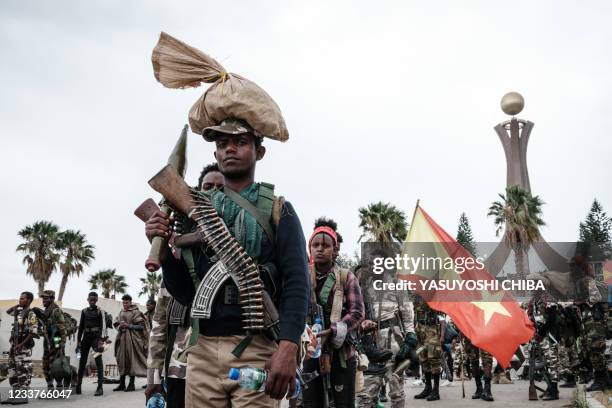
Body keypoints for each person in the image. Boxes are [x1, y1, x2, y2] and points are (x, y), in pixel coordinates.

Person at [146, 120, 310, 407]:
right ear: (215, 155)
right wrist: (162, 252)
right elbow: (186, 293)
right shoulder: (194, 209)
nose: (230, 150)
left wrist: (288, 345)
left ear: (260, 152)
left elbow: (297, 282)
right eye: (222, 144)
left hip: (256, 348)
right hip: (202, 351)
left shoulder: (278, 209)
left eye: (241, 142)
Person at [145, 164, 225, 408]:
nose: (214, 193)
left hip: (224, 364)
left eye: (221, 188)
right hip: (179, 366)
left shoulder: (238, 243)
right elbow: (160, 321)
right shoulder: (180, 250)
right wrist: (153, 376)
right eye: (207, 187)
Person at [302, 225, 364, 408]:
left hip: (341, 353)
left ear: (334, 249)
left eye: (326, 245)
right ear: (309, 248)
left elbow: (357, 312)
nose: (320, 249)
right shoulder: (302, 276)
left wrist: (335, 330)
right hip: (309, 351)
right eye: (315, 245)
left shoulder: (346, 277)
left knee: (343, 403)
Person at [357, 250, 416, 408]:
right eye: (371, 263)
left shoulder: (397, 284)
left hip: (393, 343)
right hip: (370, 344)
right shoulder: (363, 286)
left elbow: (407, 315)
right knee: (365, 394)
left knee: (396, 392)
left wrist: (410, 337)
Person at [1, 292, 38, 405]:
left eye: (22, 299)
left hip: (23, 348)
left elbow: (33, 332)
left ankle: (23, 397)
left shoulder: (30, 314)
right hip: (15, 346)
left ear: (29, 300)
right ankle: (15, 396)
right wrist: (17, 306)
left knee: (23, 371)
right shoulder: (19, 313)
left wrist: (21, 345)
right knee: (13, 371)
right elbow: (8, 312)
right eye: (20, 298)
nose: (20, 300)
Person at [113, 294, 149, 392]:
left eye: (127, 302)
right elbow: (116, 324)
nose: (125, 304)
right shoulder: (121, 312)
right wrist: (120, 326)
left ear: (130, 302)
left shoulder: (136, 312)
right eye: (123, 302)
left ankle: (131, 384)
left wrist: (129, 326)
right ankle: (122, 384)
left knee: (131, 361)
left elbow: (141, 327)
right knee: (121, 360)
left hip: (133, 341)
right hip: (122, 339)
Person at [76, 292, 108, 396]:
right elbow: (80, 327)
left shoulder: (100, 311)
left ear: (97, 300)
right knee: (82, 361)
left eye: (94, 300)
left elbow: (103, 327)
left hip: (96, 338)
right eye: (91, 300)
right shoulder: (84, 311)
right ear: (88, 300)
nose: (92, 301)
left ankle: (100, 387)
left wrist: (101, 341)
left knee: (98, 361)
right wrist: (78, 341)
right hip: (86, 338)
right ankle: (78, 385)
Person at [413, 299, 443, 401]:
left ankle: (436, 390)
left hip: (431, 328)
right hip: (419, 328)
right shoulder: (415, 290)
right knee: (423, 358)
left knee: (434, 359)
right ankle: (428, 387)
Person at [41, 290, 66, 390]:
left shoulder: (56, 310)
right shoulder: (45, 311)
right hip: (47, 340)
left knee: (57, 362)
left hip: (56, 339)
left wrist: (62, 343)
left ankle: (59, 385)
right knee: (46, 362)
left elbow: (62, 327)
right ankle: (50, 385)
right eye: (43, 298)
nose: (43, 300)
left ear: (52, 299)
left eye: (46, 298)